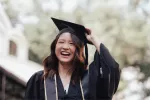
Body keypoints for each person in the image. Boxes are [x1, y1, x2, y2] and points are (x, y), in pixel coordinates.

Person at [24, 17, 121, 100]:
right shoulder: (39, 80)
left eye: (71, 43)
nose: (65, 47)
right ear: (54, 47)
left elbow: (111, 69)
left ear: (78, 50)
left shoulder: (89, 79)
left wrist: (94, 39)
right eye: (61, 42)